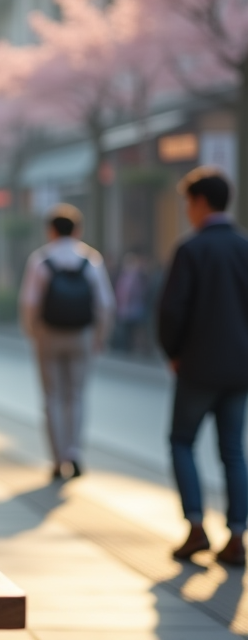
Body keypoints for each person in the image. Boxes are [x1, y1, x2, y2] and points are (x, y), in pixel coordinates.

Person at [158, 167, 248, 565]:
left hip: (197, 365)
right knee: (233, 450)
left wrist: (173, 352)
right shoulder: (245, 247)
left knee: (182, 441)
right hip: (240, 367)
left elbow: (172, 311)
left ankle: (195, 527)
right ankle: (237, 536)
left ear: (199, 202)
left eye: (187, 203)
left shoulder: (191, 249)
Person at [18, 203, 114, 481]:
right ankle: (74, 453)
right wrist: (100, 336)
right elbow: (105, 303)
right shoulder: (90, 259)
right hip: (81, 334)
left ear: (50, 230)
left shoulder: (40, 260)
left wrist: (32, 331)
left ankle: (58, 459)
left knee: (52, 397)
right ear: (78, 230)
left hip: (48, 334)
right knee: (76, 395)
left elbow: (29, 302)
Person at [112, 251, 150, 354]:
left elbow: (142, 293)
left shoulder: (139, 277)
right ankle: (126, 347)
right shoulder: (122, 276)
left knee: (133, 330)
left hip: (135, 309)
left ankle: (133, 347)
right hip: (124, 309)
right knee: (125, 330)